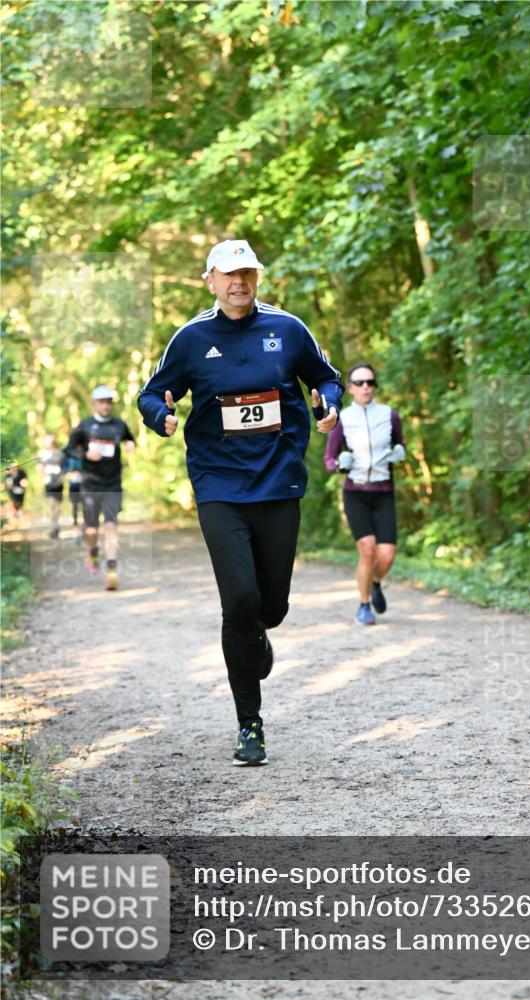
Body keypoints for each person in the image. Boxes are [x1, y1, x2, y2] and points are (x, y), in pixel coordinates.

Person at [138, 239, 343, 767]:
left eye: (247, 274)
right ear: (210, 280)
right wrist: (158, 416)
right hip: (219, 487)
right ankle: (249, 725)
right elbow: (151, 392)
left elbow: (325, 376)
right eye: (229, 275)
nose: (239, 283)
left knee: (270, 608)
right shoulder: (190, 339)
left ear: (257, 279)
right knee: (238, 601)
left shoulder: (288, 329)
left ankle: (259, 635)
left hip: (278, 484)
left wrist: (330, 401)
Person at [324, 362, 406, 626]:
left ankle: (376, 582)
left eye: (370, 382)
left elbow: (400, 443)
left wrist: (400, 452)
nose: (365, 387)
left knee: (387, 555)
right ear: (350, 388)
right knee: (368, 551)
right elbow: (329, 459)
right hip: (355, 492)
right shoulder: (343, 419)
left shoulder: (389, 414)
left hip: (384, 491)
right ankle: (363, 605)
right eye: (359, 383)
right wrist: (339, 465)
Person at [65, 386, 136, 590]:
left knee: (111, 526)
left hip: (113, 483)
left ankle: (112, 571)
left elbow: (129, 438)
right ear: (95, 404)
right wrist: (85, 455)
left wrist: (131, 445)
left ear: (111, 404)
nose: (105, 405)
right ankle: (92, 551)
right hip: (90, 483)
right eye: (101, 401)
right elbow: (69, 448)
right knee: (92, 529)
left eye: (108, 401)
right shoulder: (85, 426)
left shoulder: (119, 426)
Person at [38, 434, 66, 538]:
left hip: (58, 483)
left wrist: (63, 476)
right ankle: (53, 526)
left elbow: (65, 467)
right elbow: (39, 466)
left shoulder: (60, 454)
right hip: (48, 482)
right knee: (51, 504)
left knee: (57, 505)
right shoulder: (42, 454)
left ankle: (56, 525)